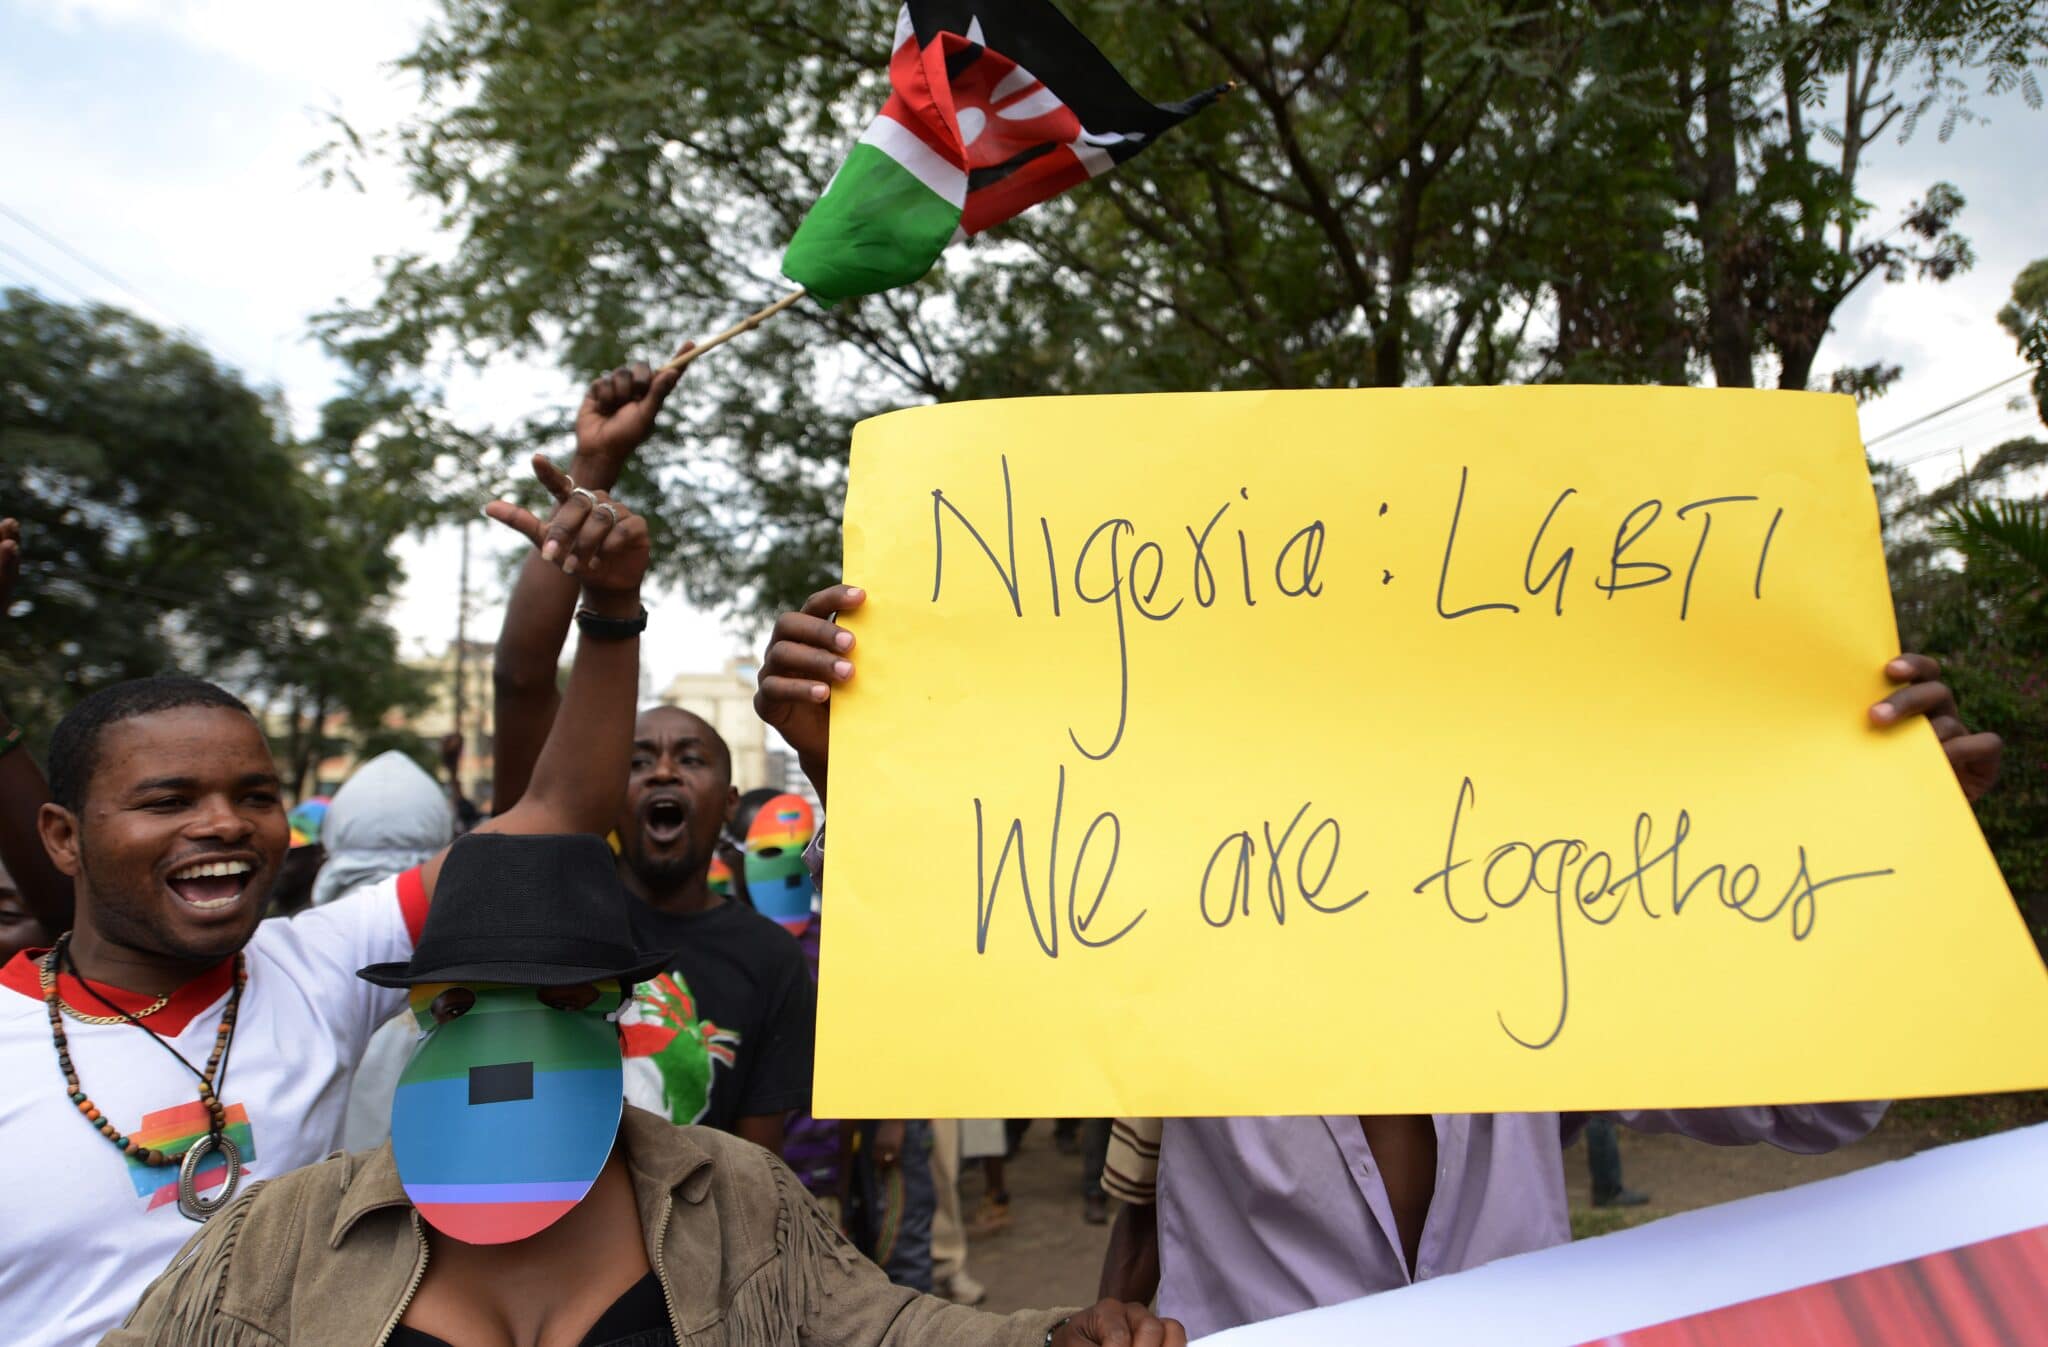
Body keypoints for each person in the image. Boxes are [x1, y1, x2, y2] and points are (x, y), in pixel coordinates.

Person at [757, 583, 2007, 1338]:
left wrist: (1906, 850)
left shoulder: (1549, 962)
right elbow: (951, 974)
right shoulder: (1164, 959)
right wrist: (847, 761)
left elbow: (1818, 1106)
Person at [0, 456, 653, 1347]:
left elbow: (558, 810)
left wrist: (611, 611)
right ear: (62, 837)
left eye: (256, 795)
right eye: (170, 800)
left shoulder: (319, 967)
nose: (224, 823)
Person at [107, 830, 1188, 1347]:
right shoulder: (280, 1238)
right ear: (420, 1015)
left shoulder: (735, 1196)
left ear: (618, 1011)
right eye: (464, 1003)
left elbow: (884, 1329)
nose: (509, 1042)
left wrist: (1057, 1336)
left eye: (559, 998)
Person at [493, 355, 813, 1153]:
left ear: (729, 803)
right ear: (604, 786)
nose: (664, 770)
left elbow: (757, 1169)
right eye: (638, 760)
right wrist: (593, 468)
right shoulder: (553, 901)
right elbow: (523, 682)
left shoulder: (771, 960)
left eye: (690, 759)